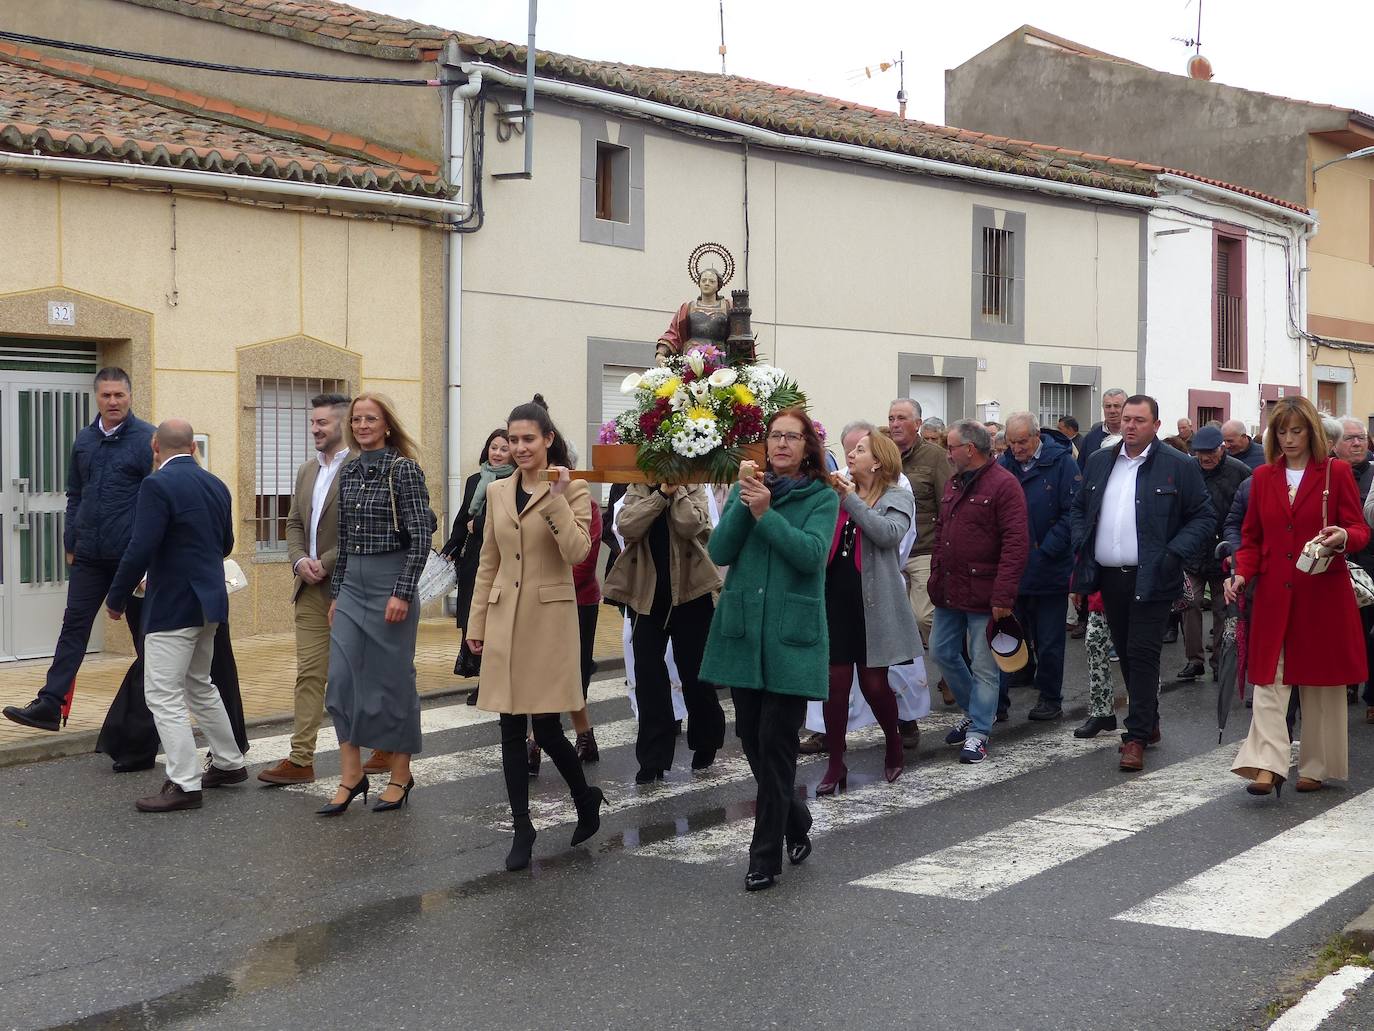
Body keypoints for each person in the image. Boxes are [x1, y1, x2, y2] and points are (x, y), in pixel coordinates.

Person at [466, 396, 605, 872]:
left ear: (548, 441)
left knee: (545, 727)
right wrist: (476, 622)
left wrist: (555, 499)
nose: (520, 448)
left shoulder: (574, 490)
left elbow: (577, 553)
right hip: (505, 616)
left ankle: (586, 799)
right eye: (513, 440)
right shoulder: (500, 491)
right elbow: (489, 560)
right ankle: (522, 826)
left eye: (529, 439)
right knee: (508, 724)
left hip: (549, 620)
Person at [700, 408, 837, 892]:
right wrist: (745, 504)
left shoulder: (822, 497)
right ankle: (796, 820)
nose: (781, 445)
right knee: (754, 742)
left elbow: (810, 556)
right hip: (744, 637)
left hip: (790, 640)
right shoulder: (748, 490)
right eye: (775, 436)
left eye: (791, 437)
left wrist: (765, 513)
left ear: (807, 446)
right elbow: (719, 552)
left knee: (777, 748)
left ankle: (763, 859)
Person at [1227, 396, 1368, 795]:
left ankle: (1317, 766)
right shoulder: (1262, 478)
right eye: (1281, 431)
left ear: (1311, 432)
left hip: (1322, 590)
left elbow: (1359, 529)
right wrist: (1241, 573)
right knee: (1271, 679)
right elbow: (1252, 538)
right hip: (1274, 593)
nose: (1288, 439)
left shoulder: (1335, 473)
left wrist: (1342, 536)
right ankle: (1267, 765)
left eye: (1296, 430)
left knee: (1321, 682)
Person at [104, 419, 245, 812]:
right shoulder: (216, 485)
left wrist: (116, 598)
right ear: (193, 447)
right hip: (212, 601)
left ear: (155, 446)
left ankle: (184, 783)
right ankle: (230, 763)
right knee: (200, 684)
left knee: (162, 694)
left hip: (174, 604)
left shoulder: (157, 485)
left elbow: (140, 546)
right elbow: (226, 543)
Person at [3, 368, 154, 732]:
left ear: (130, 396)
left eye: (119, 395)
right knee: (73, 627)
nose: (113, 402)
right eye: (106, 396)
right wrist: (71, 540)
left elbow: (157, 501)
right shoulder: (85, 439)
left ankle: (151, 714)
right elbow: (75, 493)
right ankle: (49, 704)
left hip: (130, 559)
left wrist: (150, 558)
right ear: (96, 398)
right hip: (89, 554)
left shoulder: (148, 439)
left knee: (145, 637)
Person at [1071, 394, 1214, 773]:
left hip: (1152, 574)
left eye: (1138, 420)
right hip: (1107, 576)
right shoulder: (1101, 461)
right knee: (1125, 650)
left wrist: (1172, 552)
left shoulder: (1178, 465)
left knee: (1142, 654)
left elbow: (1203, 515)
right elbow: (1079, 508)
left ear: (1155, 425)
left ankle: (1134, 736)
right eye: (1127, 419)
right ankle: (1148, 722)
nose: (1129, 425)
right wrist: (1079, 540)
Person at [320, 393, 436, 817]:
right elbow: (345, 541)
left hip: (392, 582)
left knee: (392, 683)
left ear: (387, 425)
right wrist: (337, 594)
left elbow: (422, 536)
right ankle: (352, 775)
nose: (363, 425)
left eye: (371, 419)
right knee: (341, 681)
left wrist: (402, 592)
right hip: (354, 586)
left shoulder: (404, 470)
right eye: (357, 419)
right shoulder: (349, 471)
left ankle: (400, 774)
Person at [256, 393, 359, 786]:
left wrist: (326, 562)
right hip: (310, 588)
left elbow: (362, 529)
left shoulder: (359, 468)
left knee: (358, 675)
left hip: (350, 586)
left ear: (343, 424)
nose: (314, 429)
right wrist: (300, 561)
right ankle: (301, 759)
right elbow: (293, 523)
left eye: (322, 423)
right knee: (310, 674)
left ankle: (385, 747)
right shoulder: (305, 472)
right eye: (312, 423)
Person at [816, 430, 921, 793]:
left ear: (877, 461)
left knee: (874, 684)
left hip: (872, 604)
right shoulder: (838, 493)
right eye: (851, 449)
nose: (852, 454)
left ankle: (893, 743)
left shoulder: (898, 495)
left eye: (860, 450)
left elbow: (889, 534)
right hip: (835, 599)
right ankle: (835, 763)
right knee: (834, 685)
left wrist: (851, 500)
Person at [603, 479, 724, 781]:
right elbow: (627, 527)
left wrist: (677, 490)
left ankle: (706, 741)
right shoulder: (638, 488)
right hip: (647, 596)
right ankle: (653, 759)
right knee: (648, 676)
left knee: (694, 673)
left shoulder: (694, 486)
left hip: (691, 593)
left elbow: (690, 524)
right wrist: (659, 495)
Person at [929, 420, 1029, 763]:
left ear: (969, 449)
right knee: (941, 651)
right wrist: (936, 575)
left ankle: (978, 733)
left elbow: (1016, 543)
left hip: (985, 592)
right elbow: (943, 531)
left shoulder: (1004, 485)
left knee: (985, 665)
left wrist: (1003, 595)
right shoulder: (955, 483)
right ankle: (976, 711)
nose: (948, 453)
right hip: (950, 589)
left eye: (952, 446)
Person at [996, 412, 1081, 722]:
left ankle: (1049, 696)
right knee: (1008, 634)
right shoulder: (1004, 465)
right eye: (1011, 442)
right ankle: (1000, 698)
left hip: (1048, 566)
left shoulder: (1061, 463)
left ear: (1036, 438)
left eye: (1021, 442)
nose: (1016, 448)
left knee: (1049, 639)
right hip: (1012, 568)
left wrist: (1045, 550)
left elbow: (1072, 513)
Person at [439, 429, 514, 708]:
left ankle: (491, 682)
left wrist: (479, 525)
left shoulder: (513, 481)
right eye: (493, 447)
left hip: (501, 559)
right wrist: (451, 548)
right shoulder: (474, 480)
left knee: (495, 620)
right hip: (473, 559)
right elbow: (463, 519)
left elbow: (507, 521)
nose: (496, 453)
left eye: (503, 448)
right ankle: (481, 674)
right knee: (473, 616)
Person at [888, 398, 953, 708]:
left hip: (924, 549)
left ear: (917, 423)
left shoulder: (936, 457)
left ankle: (951, 668)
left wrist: (944, 551)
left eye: (902, 418)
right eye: (891, 418)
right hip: (888, 550)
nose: (895, 424)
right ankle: (902, 692)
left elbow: (947, 505)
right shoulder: (883, 455)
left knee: (924, 616)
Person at [1176, 425, 1250, 682]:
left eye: (1209, 452)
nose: (1205, 458)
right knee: (1190, 601)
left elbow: (1247, 513)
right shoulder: (1188, 469)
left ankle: (1220, 660)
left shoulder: (1240, 472)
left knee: (1222, 607)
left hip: (1225, 552)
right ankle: (1194, 660)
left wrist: (1239, 547)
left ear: (1222, 448)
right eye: (1199, 453)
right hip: (1194, 551)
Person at [1077, 388, 1127, 471]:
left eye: (1117, 406)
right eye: (1108, 406)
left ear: (1126, 408)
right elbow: (1081, 469)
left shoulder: (1134, 436)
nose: (1112, 410)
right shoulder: (1091, 438)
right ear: (1103, 408)